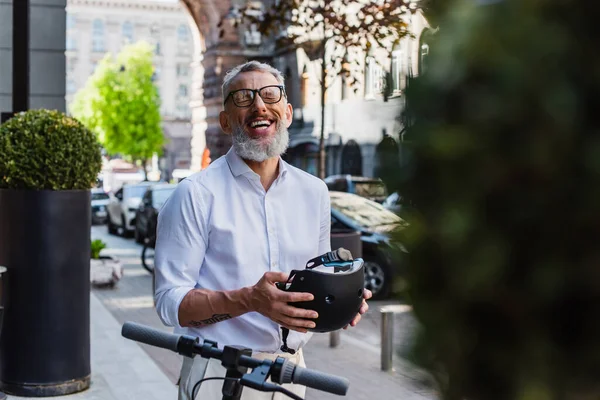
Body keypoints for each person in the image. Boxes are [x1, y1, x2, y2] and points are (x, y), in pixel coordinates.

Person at [154, 61, 372, 400]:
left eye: (270, 95)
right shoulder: (195, 193)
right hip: (217, 375)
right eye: (243, 97)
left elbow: (313, 278)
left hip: (289, 373)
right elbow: (170, 303)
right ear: (225, 120)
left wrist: (340, 302)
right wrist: (249, 300)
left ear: (286, 112)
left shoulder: (314, 191)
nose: (259, 105)